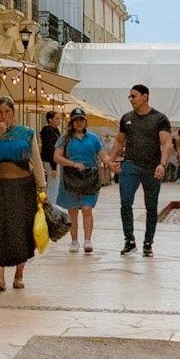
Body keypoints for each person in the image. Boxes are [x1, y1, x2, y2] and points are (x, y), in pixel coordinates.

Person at [0, 98, 45, 290]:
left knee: (21, 229)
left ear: (13, 112)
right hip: (0, 186)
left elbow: (36, 161)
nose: (3, 116)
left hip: (24, 187)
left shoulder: (27, 132)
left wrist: (42, 187)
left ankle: (19, 274)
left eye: (6, 112)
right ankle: (0, 276)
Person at [111, 84, 173, 256]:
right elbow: (119, 141)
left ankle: (148, 242)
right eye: (129, 97)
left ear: (145, 97)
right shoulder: (126, 119)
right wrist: (111, 161)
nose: (131, 99)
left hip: (152, 167)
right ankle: (129, 240)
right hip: (130, 165)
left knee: (151, 206)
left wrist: (163, 164)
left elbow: (167, 143)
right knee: (125, 202)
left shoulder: (159, 118)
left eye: (134, 96)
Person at [54, 109, 103, 254]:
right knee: (73, 210)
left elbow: (102, 155)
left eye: (81, 119)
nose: (79, 122)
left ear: (85, 121)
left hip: (89, 177)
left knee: (87, 209)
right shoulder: (64, 138)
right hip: (71, 177)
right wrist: (73, 164)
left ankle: (87, 240)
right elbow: (57, 157)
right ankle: (74, 240)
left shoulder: (93, 138)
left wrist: (112, 164)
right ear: (72, 122)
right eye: (76, 120)